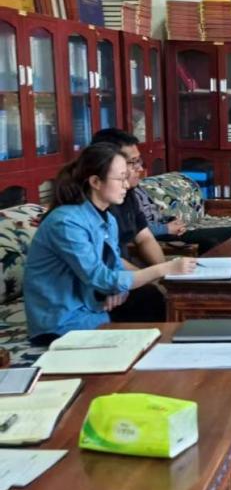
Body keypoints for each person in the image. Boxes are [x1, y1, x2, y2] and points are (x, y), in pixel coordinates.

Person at [23, 143, 196, 343]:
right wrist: (165, 268)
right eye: (120, 178)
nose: (126, 185)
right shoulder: (66, 223)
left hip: (94, 304)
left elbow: (113, 266)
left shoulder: (108, 218)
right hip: (64, 321)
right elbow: (101, 278)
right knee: (150, 308)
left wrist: (118, 289)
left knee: (150, 298)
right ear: (96, 181)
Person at [91, 129, 231, 257]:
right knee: (211, 243)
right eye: (133, 162)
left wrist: (162, 273)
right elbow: (111, 263)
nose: (140, 168)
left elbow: (143, 236)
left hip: (158, 241)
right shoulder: (100, 205)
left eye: (139, 160)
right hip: (160, 241)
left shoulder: (129, 193)